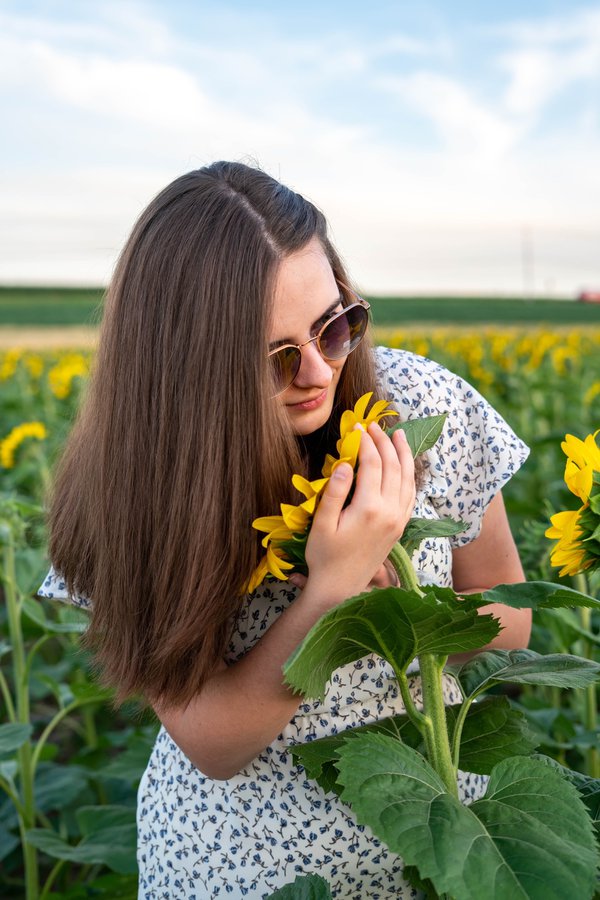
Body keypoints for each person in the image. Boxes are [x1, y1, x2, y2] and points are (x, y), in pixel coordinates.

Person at [39, 161, 531, 899]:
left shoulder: (420, 408)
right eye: (272, 358)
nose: (318, 373)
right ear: (185, 369)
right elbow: (213, 742)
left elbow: (513, 618)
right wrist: (329, 592)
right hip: (239, 871)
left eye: (334, 326)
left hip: (440, 852)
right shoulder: (139, 482)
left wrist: (409, 612)